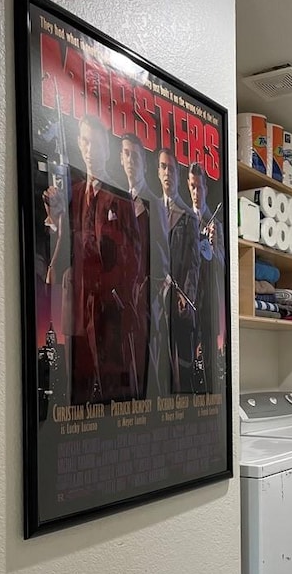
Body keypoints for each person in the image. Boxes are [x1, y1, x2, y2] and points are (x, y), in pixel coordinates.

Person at [44, 114, 142, 404]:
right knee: (77, 391)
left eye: (96, 144)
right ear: (78, 143)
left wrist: (114, 288)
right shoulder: (72, 194)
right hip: (76, 306)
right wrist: (55, 216)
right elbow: (60, 249)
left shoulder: (121, 200)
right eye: (85, 142)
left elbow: (135, 258)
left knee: (113, 392)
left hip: (109, 310)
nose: (89, 150)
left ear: (106, 149)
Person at [119, 133, 170, 396]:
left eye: (136, 156)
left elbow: (162, 259)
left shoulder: (155, 205)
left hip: (146, 303)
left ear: (144, 163)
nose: (130, 160)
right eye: (126, 154)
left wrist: (150, 294)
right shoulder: (116, 199)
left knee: (149, 371)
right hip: (120, 302)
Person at [157, 149, 200, 392]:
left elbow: (194, 264)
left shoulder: (188, 217)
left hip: (179, 301)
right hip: (156, 300)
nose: (167, 173)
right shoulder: (152, 208)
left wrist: (186, 295)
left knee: (182, 364)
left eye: (171, 169)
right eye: (163, 167)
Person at [187, 162, 225, 391]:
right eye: (192, 187)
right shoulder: (183, 219)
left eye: (199, 187)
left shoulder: (216, 225)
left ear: (206, 189)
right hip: (188, 299)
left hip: (208, 300)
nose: (196, 192)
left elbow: (223, 264)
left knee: (210, 354)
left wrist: (211, 250)